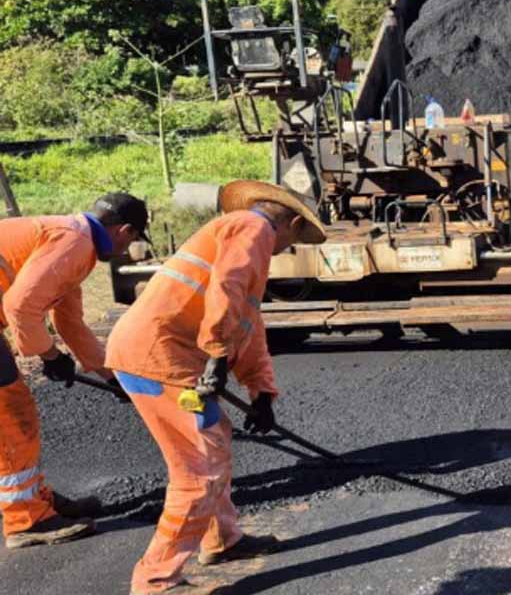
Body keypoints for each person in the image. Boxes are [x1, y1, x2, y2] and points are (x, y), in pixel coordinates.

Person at [105, 180, 326, 595]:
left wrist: (261, 392)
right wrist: (219, 356)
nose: (287, 251)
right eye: (295, 241)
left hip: (165, 355)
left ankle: (222, 540)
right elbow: (226, 289)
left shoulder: (242, 232)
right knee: (198, 469)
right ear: (292, 222)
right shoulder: (254, 227)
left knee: (215, 438)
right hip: (157, 357)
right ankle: (156, 579)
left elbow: (247, 319)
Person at [0, 193, 149, 549]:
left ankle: (35, 499)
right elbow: (19, 307)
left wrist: (113, 379)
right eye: (132, 240)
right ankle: (25, 520)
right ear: (124, 230)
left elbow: (70, 324)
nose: (128, 249)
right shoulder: (74, 242)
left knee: (17, 415)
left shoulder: (72, 242)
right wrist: (48, 356)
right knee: (12, 414)